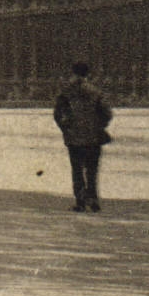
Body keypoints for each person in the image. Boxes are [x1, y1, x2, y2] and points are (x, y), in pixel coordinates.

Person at [53, 61, 112, 212]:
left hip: (74, 136)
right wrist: (99, 126)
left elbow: (57, 113)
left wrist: (65, 128)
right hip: (93, 137)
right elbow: (107, 113)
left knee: (77, 169)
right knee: (92, 170)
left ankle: (80, 200)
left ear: (73, 73)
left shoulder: (66, 92)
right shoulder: (96, 92)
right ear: (88, 74)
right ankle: (93, 199)